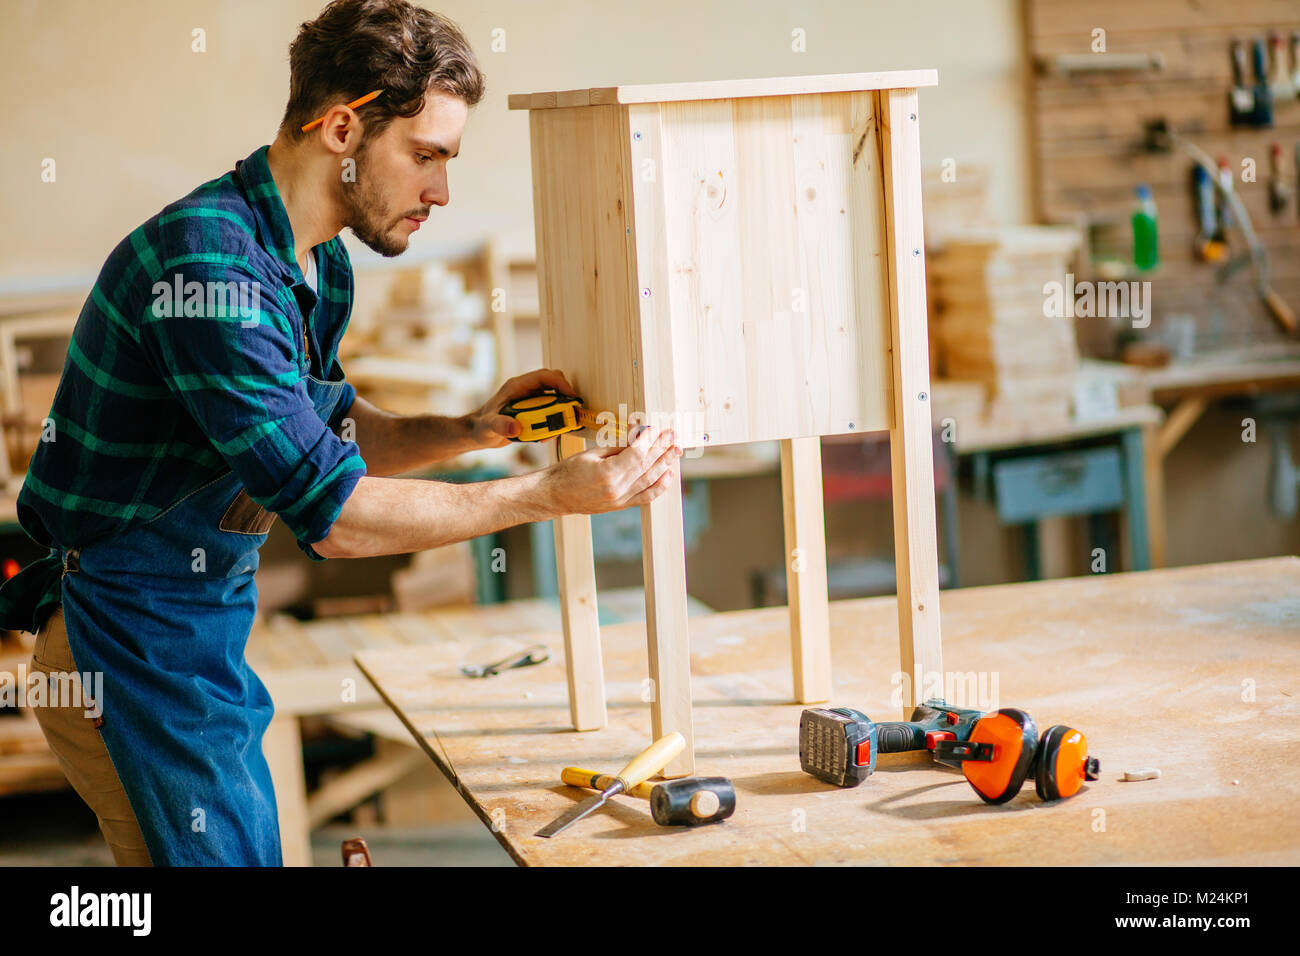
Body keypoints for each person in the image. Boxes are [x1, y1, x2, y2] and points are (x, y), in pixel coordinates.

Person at [0, 0, 680, 865]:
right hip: (125, 641)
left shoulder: (316, 263)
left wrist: (472, 427)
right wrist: (550, 495)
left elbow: (327, 439)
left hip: (191, 630)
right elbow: (341, 518)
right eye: (425, 156)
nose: (441, 191)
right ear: (343, 128)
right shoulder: (211, 274)